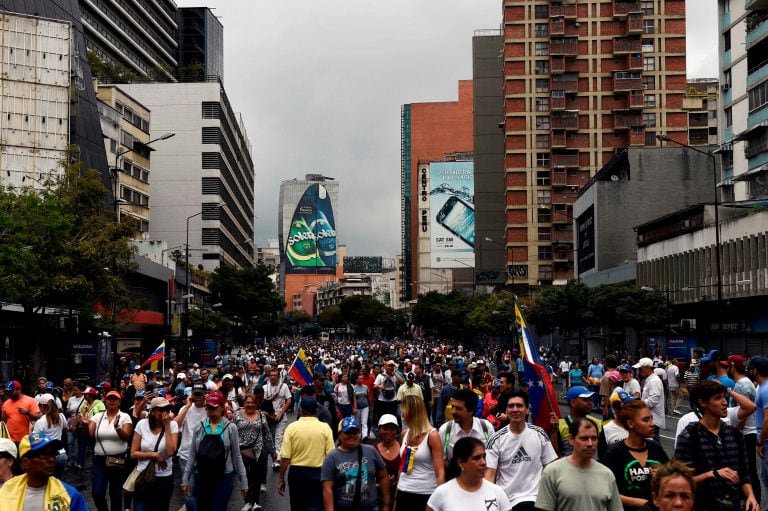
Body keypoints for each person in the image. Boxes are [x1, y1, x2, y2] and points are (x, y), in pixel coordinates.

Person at [675, 380, 758, 511]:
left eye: (724, 397)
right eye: (718, 398)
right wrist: (712, 474)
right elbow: (681, 482)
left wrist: (750, 496)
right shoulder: (690, 436)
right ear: (703, 402)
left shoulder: (734, 434)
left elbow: (743, 474)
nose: (725, 402)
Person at [485, 391, 557, 510]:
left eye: (519, 405)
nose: (515, 409)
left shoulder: (539, 433)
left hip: (538, 501)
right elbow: (489, 476)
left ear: (527, 409)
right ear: (506, 411)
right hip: (508, 502)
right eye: (511, 406)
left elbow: (551, 468)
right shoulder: (496, 439)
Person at [535, 417, 622, 511]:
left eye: (594, 438)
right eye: (584, 438)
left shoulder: (607, 474)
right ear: (571, 439)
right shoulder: (552, 472)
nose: (590, 443)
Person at [181, 392, 248, 511]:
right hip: (201, 478)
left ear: (222, 407)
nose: (211, 410)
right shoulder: (199, 427)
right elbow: (192, 455)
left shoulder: (231, 428)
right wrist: (185, 479)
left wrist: (244, 482)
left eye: (214, 407)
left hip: (223, 479)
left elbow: (237, 456)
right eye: (208, 407)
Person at [603, 400, 669, 511]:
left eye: (651, 418)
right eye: (646, 420)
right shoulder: (615, 452)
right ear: (630, 423)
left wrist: (663, 475)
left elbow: (672, 477)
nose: (652, 424)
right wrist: (640, 503)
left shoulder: (655, 447)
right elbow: (605, 491)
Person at [321, 416, 390, 511]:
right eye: (348, 432)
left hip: (371, 507)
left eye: (355, 432)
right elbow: (327, 489)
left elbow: (383, 477)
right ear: (340, 435)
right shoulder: (332, 457)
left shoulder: (370, 451)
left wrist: (387, 504)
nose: (352, 436)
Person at [278, 397, 335, 511]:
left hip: (297, 474)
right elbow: (331, 456)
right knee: (316, 507)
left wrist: (281, 479)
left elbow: (285, 457)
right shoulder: (325, 428)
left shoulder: (292, 428)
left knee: (297, 506)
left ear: (301, 410)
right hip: (318, 474)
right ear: (316, 411)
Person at [427, 437, 511, 511]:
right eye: (476, 458)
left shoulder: (497, 491)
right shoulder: (442, 493)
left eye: (484, 457)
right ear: (460, 462)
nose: (483, 462)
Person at [395, 394, 445, 510]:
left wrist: (441, 501)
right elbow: (402, 467)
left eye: (404, 411)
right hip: (404, 490)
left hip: (426, 493)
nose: (402, 414)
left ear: (412, 412)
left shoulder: (432, 436)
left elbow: (440, 472)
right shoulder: (404, 434)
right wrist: (396, 494)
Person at [130, 397, 179, 511]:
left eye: (167, 409)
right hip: (143, 475)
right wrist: (154, 455)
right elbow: (133, 453)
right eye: (161, 410)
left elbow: (171, 451)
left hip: (163, 477)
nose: (165, 413)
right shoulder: (142, 424)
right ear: (152, 411)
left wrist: (167, 426)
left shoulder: (172, 425)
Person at [88, 390, 132, 511]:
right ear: (105, 401)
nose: (112, 401)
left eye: (115, 399)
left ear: (119, 402)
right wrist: (85, 424)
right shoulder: (97, 416)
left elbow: (126, 437)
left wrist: (117, 427)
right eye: (109, 399)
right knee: (97, 493)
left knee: (116, 494)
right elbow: (89, 434)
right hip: (99, 460)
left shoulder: (125, 416)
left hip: (117, 460)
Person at [234, 389, 275, 511]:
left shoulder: (261, 415)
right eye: (248, 402)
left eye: (252, 402)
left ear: (256, 404)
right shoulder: (237, 415)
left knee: (256, 478)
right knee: (245, 477)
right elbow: (232, 433)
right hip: (242, 452)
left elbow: (267, 433)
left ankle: (256, 502)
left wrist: (273, 451)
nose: (250, 405)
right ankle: (247, 502)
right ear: (244, 403)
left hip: (258, 451)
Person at [437, 388, 493, 462]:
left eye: (458, 409)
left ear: (471, 410)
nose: (453, 412)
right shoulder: (445, 430)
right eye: (453, 407)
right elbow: (442, 461)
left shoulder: (486, 428)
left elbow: (493, 458)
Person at [550, 385, 602, 456]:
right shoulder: (560, 426)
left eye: (590, 399)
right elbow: (552, 453)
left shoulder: (598, 423)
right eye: (585, 400)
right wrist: (554, 430)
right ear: (573, 403)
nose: (590, 403)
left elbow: (603, 451)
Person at [263, 368, 293, 471]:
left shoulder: (283, 386)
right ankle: (275, 459)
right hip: (269, 417)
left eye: (275, 375)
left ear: (279, 376)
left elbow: (289, 400)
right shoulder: (265, 387)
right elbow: (262, 401)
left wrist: (281, 412)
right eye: (271, 375)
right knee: (270, 439)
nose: (272, 377)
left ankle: (278, 461)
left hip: (281, 417)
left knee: (278, 438)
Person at [31, 394, 67, 477]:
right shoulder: (61, 416)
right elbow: (65, 430)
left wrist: (31, 429)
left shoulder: (41, 422)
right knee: (58, 483)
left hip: (48, 457)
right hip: (62, 454)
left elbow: (35, 440)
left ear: (42, 406)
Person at [598, 389, 636, 461]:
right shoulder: (606, 430)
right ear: (615, 409)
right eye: (626, 407)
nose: (630, 409)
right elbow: (603, 457)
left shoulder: (638, 425)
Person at [634, 357, 665, 442]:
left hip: (653, 419)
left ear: (648, 368)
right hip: (650, 418)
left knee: (654, 445)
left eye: (641, 369)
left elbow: (652, 401)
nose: (639, 371)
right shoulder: (650, 380)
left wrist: (638, 402)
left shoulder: (654, 381)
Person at [374, 414, 400, 509]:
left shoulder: (403, 449)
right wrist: (380, 485)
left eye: (392, 429)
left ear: (396, 430)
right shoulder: (373, 451)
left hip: (399, 497)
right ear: (379, 429)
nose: (389, 432)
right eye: (385, 428)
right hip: (378, 498)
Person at [353, 373, 371, 439]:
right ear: (357, 380)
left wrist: (370, 405)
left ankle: (364, 436)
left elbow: (368, 397)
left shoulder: (365, 387)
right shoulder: (354, 387)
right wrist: (354, 407)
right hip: (357, 407)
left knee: (364, 422)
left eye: (362, 378)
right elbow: (353, 398)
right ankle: (359, 434)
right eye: (360, 379)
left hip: (365, 406)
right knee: (357, 422)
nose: (361, 380)